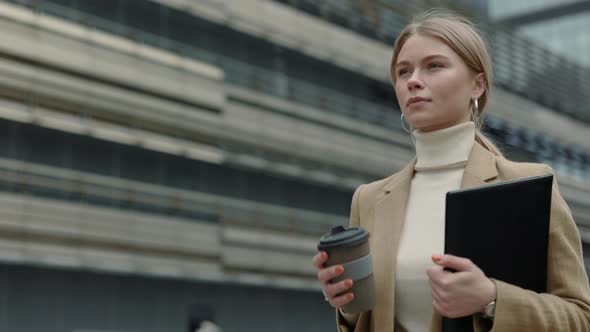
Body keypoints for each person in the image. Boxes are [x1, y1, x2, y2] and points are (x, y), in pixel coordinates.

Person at [311, 9, 590, 332]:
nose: (413, 80)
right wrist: (346, 305)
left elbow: (580, 318)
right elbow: (366, 322)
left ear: (477, 85)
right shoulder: (370, 199)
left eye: (434, 66)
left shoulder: (527, 185)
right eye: (403, 72)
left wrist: (492, 299)